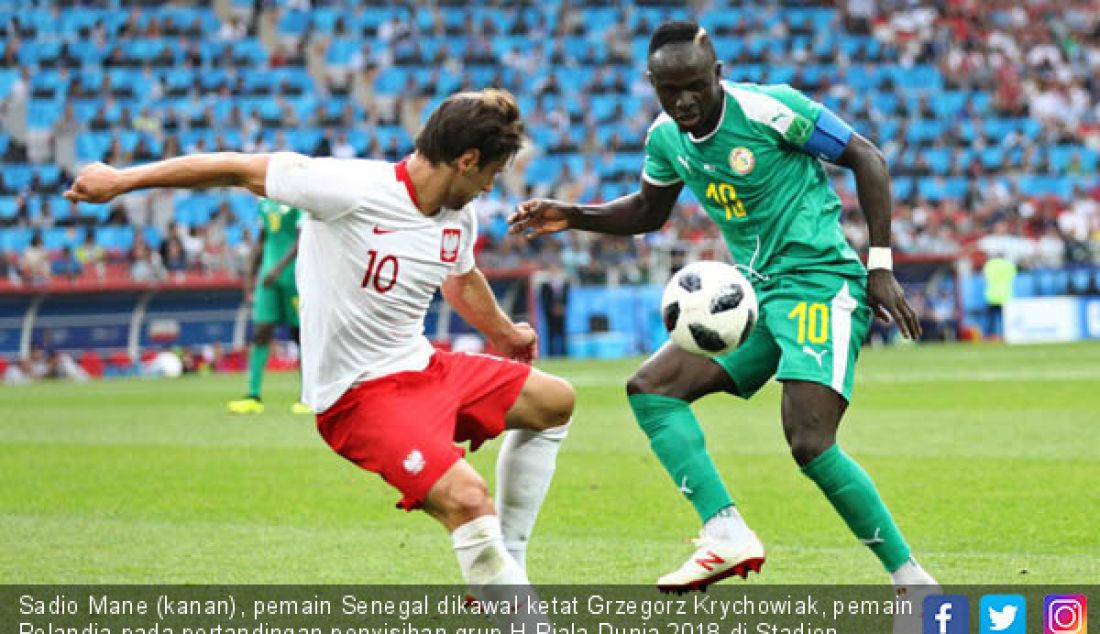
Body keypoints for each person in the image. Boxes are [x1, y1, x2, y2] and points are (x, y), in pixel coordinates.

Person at [65, 89, 574, 606]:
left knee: (555, 403)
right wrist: (122, 180)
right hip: (359, 396)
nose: (491, 186)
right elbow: (237, 168)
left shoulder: (455, 214)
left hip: (425, 367)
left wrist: (507, 334)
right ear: (466, 161)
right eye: (491, 173)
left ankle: (506, 562)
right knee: (468, 499)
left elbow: (461, 281)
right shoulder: (349, 187)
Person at [509, 19, 937, 613]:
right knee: (651, 389)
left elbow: (866, 157)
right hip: (755, 296)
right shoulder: (666, 138)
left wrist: (880, 265)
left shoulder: (770, 110)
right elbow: (649, 211)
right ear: (653, 85)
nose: (683, 101)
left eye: (693, 86)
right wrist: (572, 214)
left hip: (819, 286)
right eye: (668, 90)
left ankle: (912, 579)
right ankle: (727, 532)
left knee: (810, 441)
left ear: (718, 75)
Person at [225, 198, 310, 415]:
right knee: (261, 331)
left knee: (300, 335)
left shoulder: (298, 202)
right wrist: (250, 278)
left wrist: (279, 269)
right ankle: (253, 396)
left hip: (293, 277)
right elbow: (262, 241)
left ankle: (307, 396)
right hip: (267, 277)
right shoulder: (264, 204)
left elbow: (302, 240)